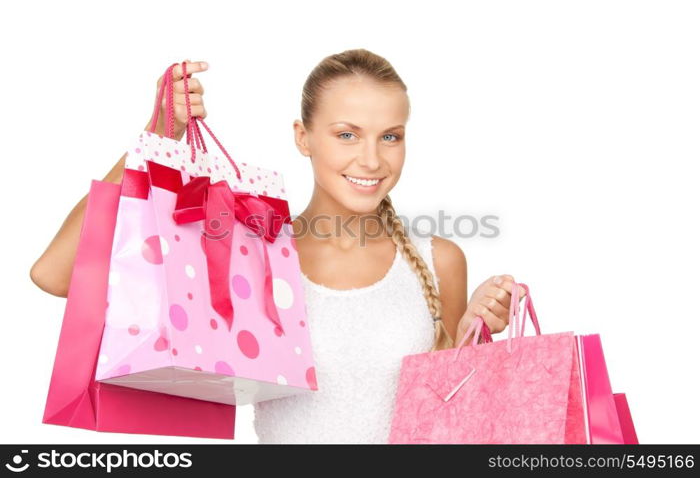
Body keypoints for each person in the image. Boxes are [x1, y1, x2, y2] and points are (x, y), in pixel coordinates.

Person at [30, 50, 526, 444]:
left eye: (390, 136)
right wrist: (160, 135)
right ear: (303, 137)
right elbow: (54, 274)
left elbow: (447, 420)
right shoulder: (253, 250)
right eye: (347, 134)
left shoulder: (439, 262)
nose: (372, 159)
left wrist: (470, 337)